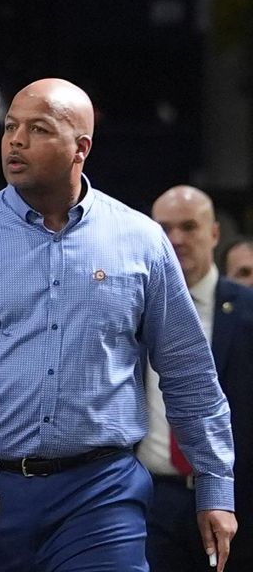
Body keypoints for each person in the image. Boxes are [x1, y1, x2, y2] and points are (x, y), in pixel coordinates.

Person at [0, 78, 237, 572]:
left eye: (38, 129)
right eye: (10, 127)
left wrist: (215, 485)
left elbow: (189, 373)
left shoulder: (141, 241)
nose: (16, 141)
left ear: (81, 147)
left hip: (101, 494)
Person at [142, 186, 253, 572]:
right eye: (164, 229)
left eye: (188, 227)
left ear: (215, 233)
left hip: (238, 500)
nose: (175, 239)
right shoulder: (132, 310)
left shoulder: (248, 311)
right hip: (151, 500)